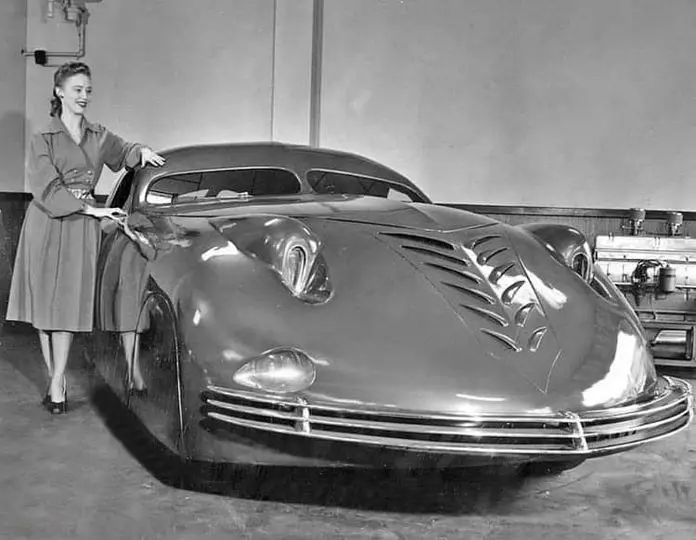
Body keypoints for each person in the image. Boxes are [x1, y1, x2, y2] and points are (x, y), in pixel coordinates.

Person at [5, 61, 165, 414]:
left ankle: (57, 382)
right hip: (47, 223)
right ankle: (55, 378)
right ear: (59, 92)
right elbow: (47, 189)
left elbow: (124, 152)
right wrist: (94, 210)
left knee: (64, 308)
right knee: (45, 311)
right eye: (77, 90)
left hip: (79, 230)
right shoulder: (42, 138)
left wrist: (142, 152)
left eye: (88, 90)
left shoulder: (97, 135)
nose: (84, 96)